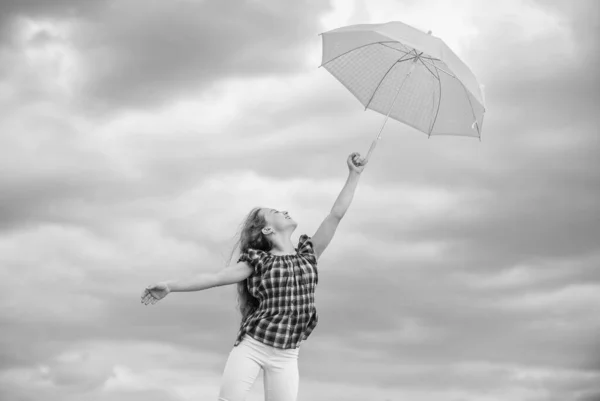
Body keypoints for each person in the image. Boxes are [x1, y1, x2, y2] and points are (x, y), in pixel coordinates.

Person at [140, 152, 367, 401]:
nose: (286, 211)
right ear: (268, 229)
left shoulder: (308, 254)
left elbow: (335, 215)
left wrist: (354, 175)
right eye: (277, 211)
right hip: (254, 346)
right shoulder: (258, 261)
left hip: (287, 354)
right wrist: (170, 286)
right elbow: (216, 277)